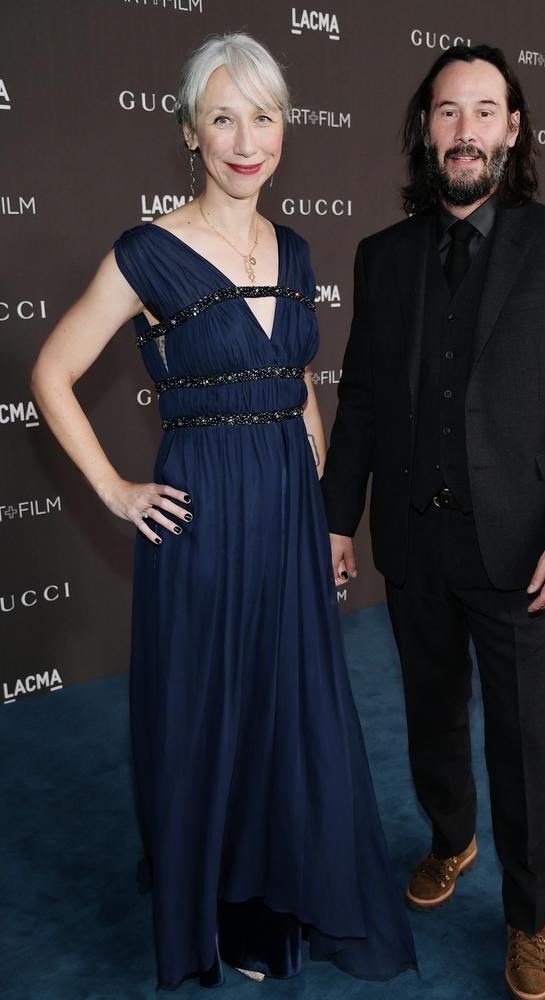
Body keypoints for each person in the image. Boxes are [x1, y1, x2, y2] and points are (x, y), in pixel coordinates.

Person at [31, 32, 416, 991]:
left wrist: (329, 514)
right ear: (190, 134)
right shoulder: (148, 252)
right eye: (223, 118)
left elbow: (298, 388)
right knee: (213, 711)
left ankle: (269, 890)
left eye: (265, 116)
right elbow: (50, 371)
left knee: (288, 710)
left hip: (288, 509)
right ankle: (208, 898)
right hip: (201, 519)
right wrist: (118, 490)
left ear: (286, 126)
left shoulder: (294, 246)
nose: (247, 140)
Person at [321, 44, 545, 1000]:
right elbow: (359, 401)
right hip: (414, 542)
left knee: (523, 745)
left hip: (523, 548)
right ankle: (452, 838)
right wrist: (337, 521)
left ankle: (528, 917)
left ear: (513, 129)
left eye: (485, 111)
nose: (466, 131)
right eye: (448, 112)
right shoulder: (383, 256)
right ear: (424, 128)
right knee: (431, 716)